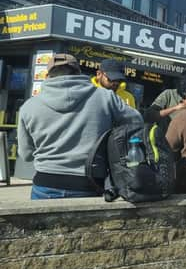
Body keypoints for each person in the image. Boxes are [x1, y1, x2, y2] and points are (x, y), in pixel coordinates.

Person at [18, 53, 142, 200]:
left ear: (48, 75)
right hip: (89, 182)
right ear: (78, 72)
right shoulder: (105, 97)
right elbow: (137, 121)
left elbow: (25, 155)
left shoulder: (29, 106)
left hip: (46, 183)